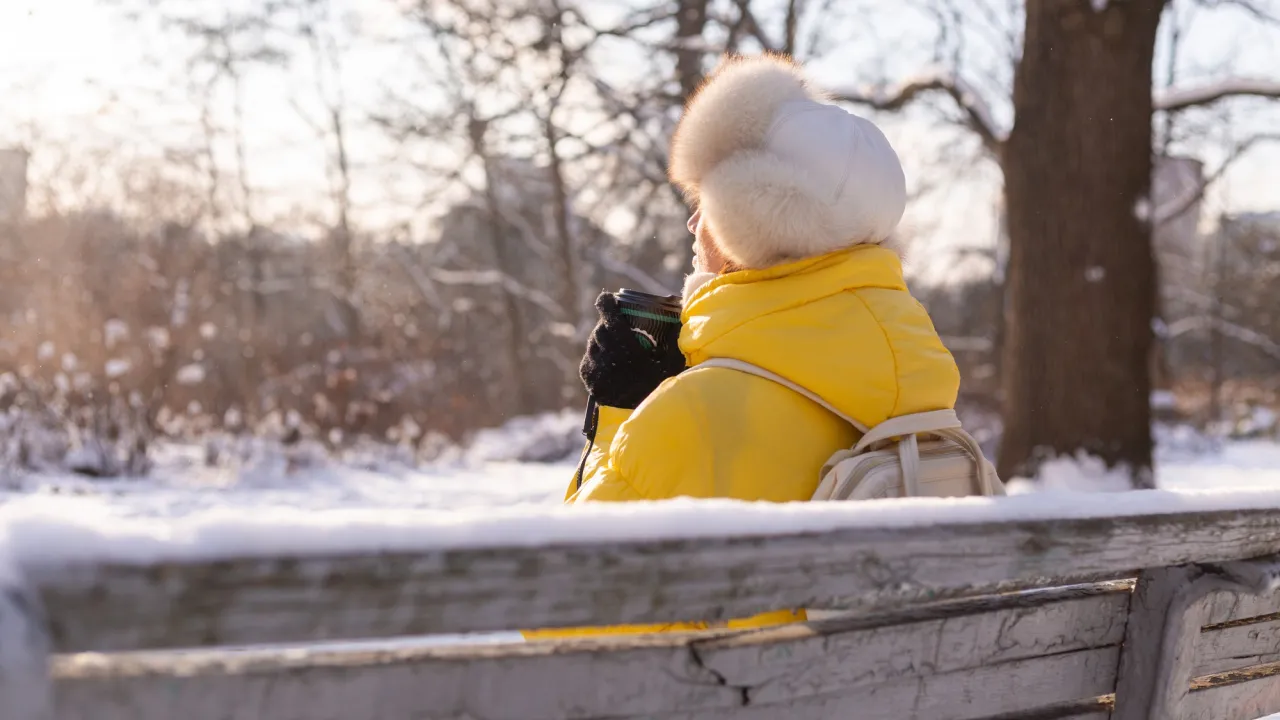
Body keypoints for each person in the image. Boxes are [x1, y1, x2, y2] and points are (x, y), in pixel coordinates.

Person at [529, 53, 960, 637]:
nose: (692, 226)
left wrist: (620, 417)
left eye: (705, 205)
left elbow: (554, 619)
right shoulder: (925, 398)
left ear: (745, 227)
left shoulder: (697, 417)